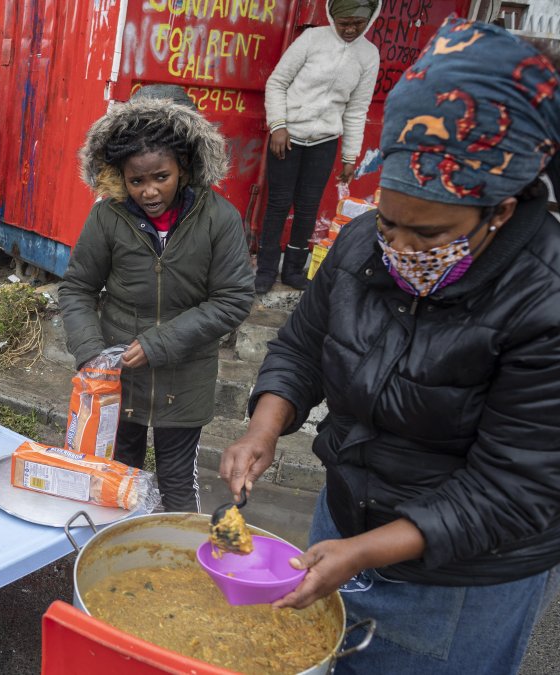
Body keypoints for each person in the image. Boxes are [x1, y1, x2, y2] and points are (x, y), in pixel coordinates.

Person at [220, 20, 560, 672]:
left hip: (464, 576)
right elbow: (302, 345)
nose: (400, 249)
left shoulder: (544, 299)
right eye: (389, 222)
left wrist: (366, 552)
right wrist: (265, 424)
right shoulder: (360, 248)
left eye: (428, 235)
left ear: (502, 211)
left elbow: (513, 487)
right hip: (346, 519)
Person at [60, 97, 254, 513]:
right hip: (117, 378)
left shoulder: (220, 218)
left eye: (161, 177)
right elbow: (77, 289)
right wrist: (91, 355)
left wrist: (158, 343)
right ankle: (112, 567)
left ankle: (179, 571)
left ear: (183, 167)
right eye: (136, 181)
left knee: (178, 484)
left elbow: (233, 299)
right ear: (120, 177)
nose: (149, 191)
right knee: (116, 480)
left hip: (186, 375)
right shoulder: (107, 216)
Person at [256, 0, 380, 293]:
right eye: (343, 23)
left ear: (370, 18)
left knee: (308, 206)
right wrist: (278, 126)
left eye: (357, 24)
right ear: (331, 16)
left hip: (324, 143)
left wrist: (350, 156)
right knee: (278, 203)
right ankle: (265, 270)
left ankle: (294, 270)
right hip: (286, 138)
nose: (350, 29)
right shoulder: (311, 39)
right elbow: (277, 83)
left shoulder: (368, 55)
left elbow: (356, 108)